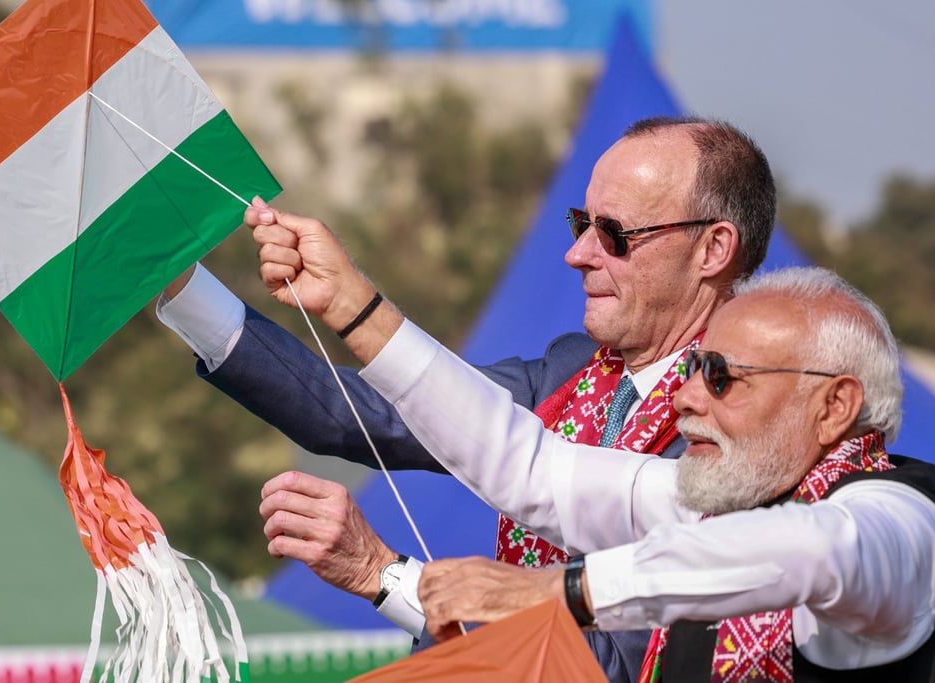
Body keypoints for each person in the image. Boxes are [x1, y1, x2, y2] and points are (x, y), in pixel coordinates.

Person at [158, 116, 776, 681]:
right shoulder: (572, 372)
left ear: (713, 249)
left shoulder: (746, 434)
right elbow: (366, 417)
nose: (577, 253)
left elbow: (608, 667)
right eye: (578, 223)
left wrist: (388, 575)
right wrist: (179, 283)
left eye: (613, 233)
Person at [253, 195, 935, 679]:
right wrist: (351, 306)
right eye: (694, 367)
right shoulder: (727, 499)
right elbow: (529, 466)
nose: (687, 394)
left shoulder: (902, 520)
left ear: (834, 405)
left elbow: (813, 549)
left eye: (722, 375)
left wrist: (556, 591)